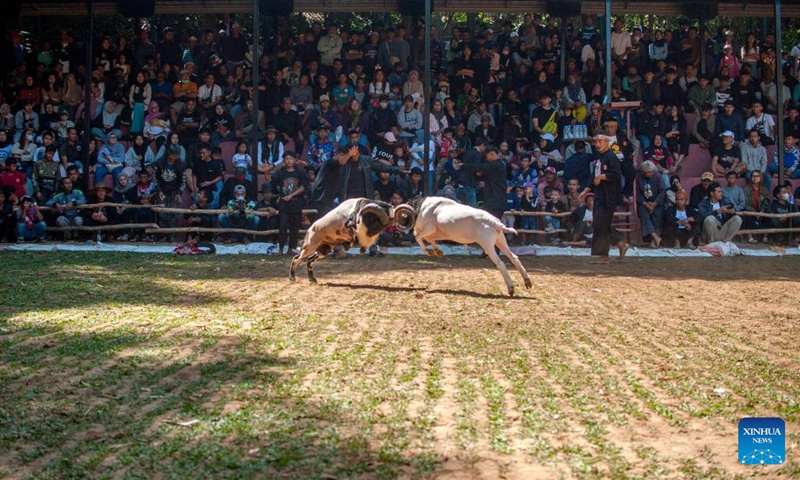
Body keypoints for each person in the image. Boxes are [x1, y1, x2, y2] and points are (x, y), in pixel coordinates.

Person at [587, 131, 628, 263]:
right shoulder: (600, 158)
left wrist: (602, 177)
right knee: (600, 223)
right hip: (600, 195)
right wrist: (585, 191)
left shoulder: (611, 157)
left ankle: (604, 255)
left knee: (601, 224)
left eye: (600, 141)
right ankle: (620, 243)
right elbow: (594, 176)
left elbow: (616, 175)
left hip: (608, 196)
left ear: (607, 142)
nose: (597, 144)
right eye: (596, 142)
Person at [453, 145, 507, 220]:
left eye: (486, 155)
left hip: (495, 201)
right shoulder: (500, 164)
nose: (486, 158)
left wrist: (463, 166)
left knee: (491, 225)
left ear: (492, 154)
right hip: (496, 201)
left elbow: (479, 167)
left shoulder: (496, 165)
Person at [271, 151, 308, 255]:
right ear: (284, 161)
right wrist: (275, 168)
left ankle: (291, 248)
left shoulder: (300, 173)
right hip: (284, 204)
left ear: (295, 161)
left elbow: (303, 187)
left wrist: (291, 195)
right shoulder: (280, 173)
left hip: (296, 204)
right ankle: (281, 249)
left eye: (291, 159)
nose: (289, 161)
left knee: (294, 227)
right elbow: (270, 179)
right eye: (287, 159)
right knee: (282, 226)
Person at [635, 161, 665, 247]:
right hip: (644, 202)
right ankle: (655, 237)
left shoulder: (658, 177)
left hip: (656, 202)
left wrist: (654, 203)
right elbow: (637, 194)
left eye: (652, 171)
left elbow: (662, 192)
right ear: (643, 172)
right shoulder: (638, 178)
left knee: (658, 217)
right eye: (648, 172)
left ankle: (653, 241)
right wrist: (645, 204)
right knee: (644, 215)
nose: (651, 173)